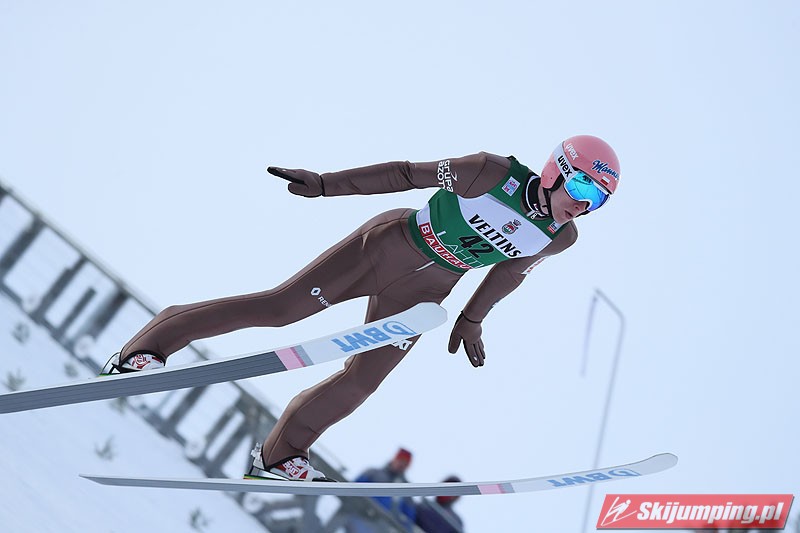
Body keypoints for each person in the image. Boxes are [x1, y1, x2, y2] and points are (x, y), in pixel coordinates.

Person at [106, 135, 621, 481]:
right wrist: (326, 184)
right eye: (581, 187)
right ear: (555, 171)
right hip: (387, 247)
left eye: (596, 201)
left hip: (426, 293)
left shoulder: (561, 236)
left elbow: (508, 272)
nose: (582, 204)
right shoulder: (490, 173)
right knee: (279, 310)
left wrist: (472, 318)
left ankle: (280, 455)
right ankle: (146, 349)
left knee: (362, 380)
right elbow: (406, 174)